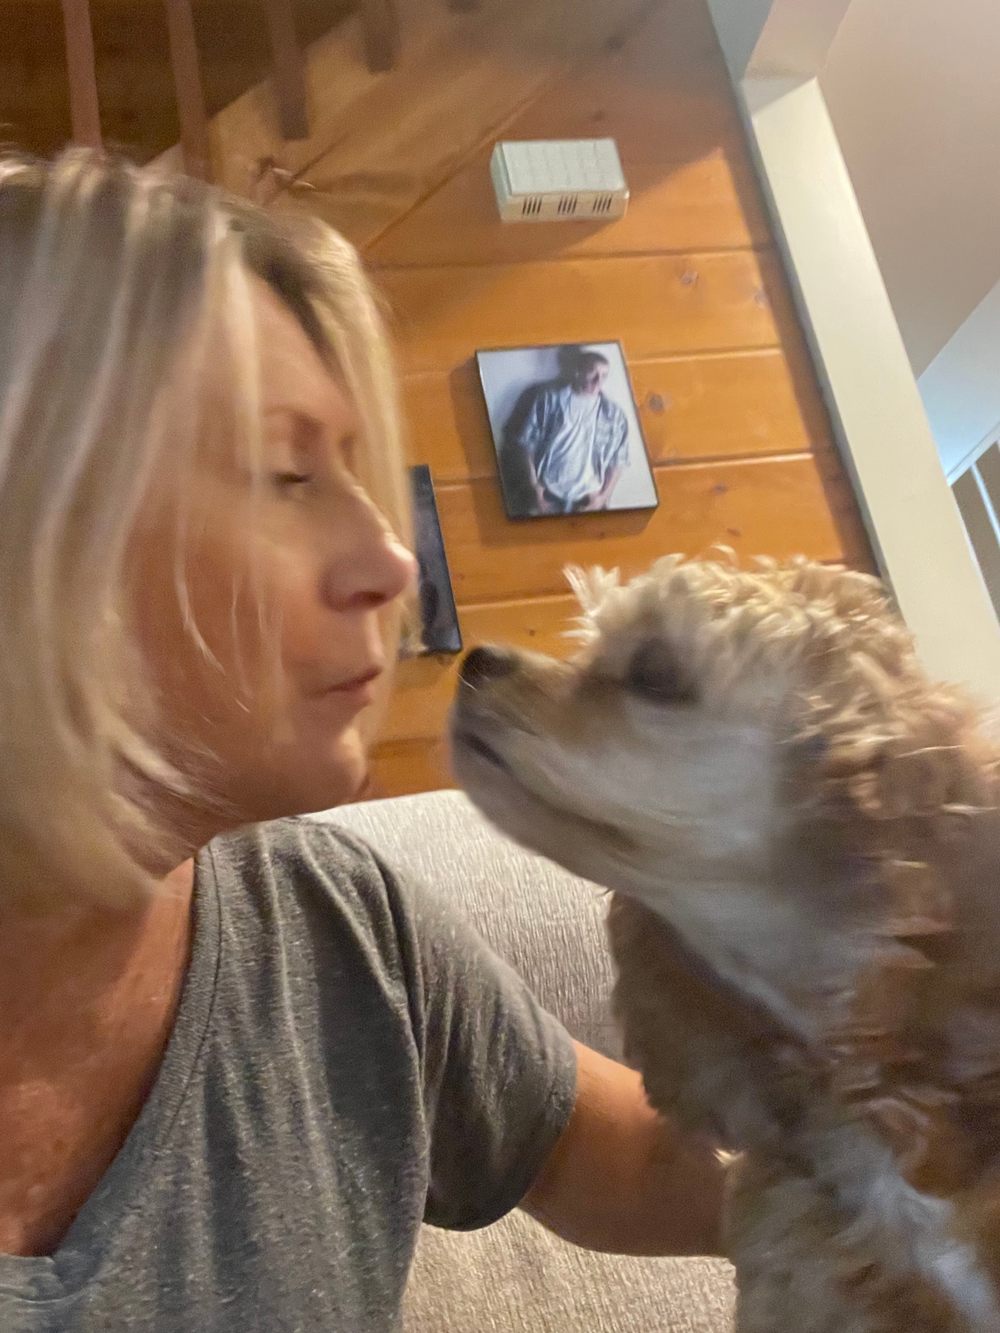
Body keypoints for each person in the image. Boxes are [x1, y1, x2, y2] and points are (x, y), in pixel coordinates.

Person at [0, 152, 723, 1332]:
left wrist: (926, 1166)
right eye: (287, 472)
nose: (390, 562)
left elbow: (640, 1163)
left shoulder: (340, 930)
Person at [505, 347, 629, 514]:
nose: (598, 381)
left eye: (604, 375)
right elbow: (528, 444)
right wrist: (534, 485)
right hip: (548, 494)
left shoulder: (614, 414)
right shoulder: (549, 400)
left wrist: (603, 497)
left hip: (588, 498)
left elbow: (618, 460)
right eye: (592, 373)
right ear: (578, 371)